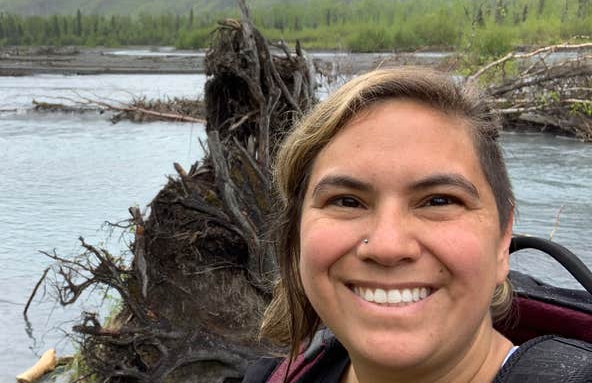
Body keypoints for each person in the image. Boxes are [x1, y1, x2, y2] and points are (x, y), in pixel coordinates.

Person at [244, 67, 592, 383]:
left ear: (503, 240)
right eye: (347, 201)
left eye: (439, 201)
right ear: (297, 237)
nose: (388, 246)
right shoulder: (279, 376)